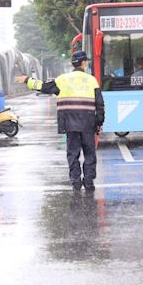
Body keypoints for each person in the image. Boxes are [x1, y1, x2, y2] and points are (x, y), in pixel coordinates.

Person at [15, 51, 105, 192]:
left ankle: (76, 182)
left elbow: (44, 86)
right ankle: (88, 182)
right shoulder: (92, 80)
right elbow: (100, 104)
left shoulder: (63, 80)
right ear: (84, 63)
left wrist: (27, 80)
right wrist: (99, 123)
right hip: (88, 123)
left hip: (69, 124)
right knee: (89, 153)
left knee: (73, 153)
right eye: (86, 61)